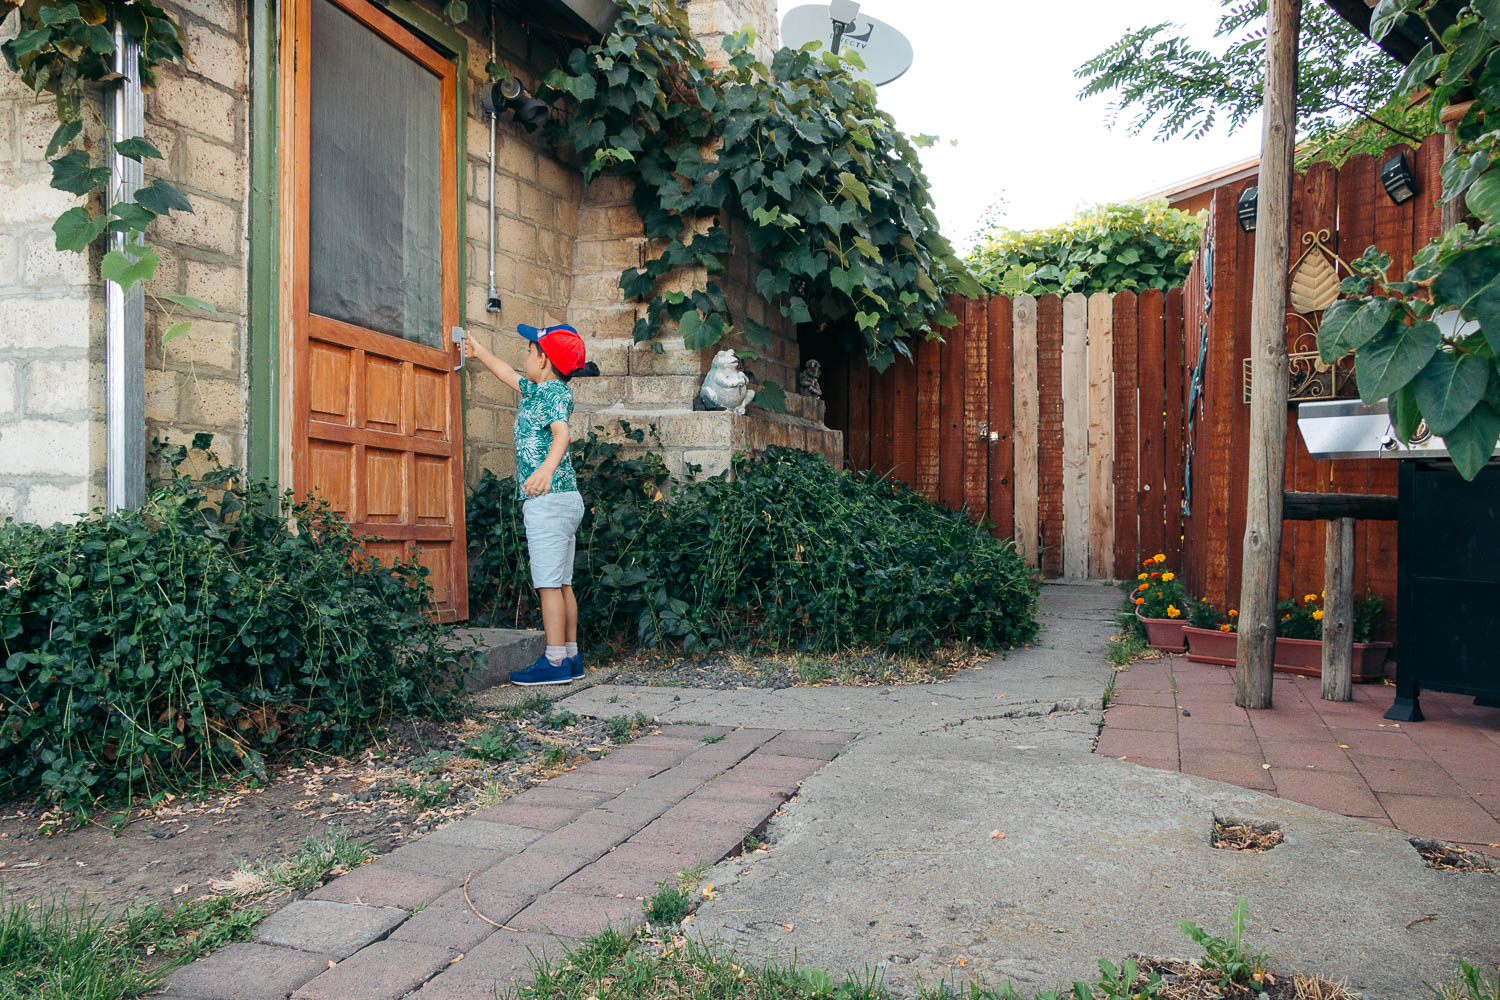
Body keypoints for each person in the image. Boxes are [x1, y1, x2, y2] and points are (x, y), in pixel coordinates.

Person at [467, 323, 597, 685]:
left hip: (548, 498)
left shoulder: (553, 394)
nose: (524, 357)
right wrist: (479, 352)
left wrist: (545, 471)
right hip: (562, 499)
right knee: (563, 582)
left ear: (544, 360)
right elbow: (507, 373)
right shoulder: (538, 390)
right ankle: (571, 656)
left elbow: (563, 434)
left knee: (548, 584)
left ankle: (554, 662)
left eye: (529, 351)